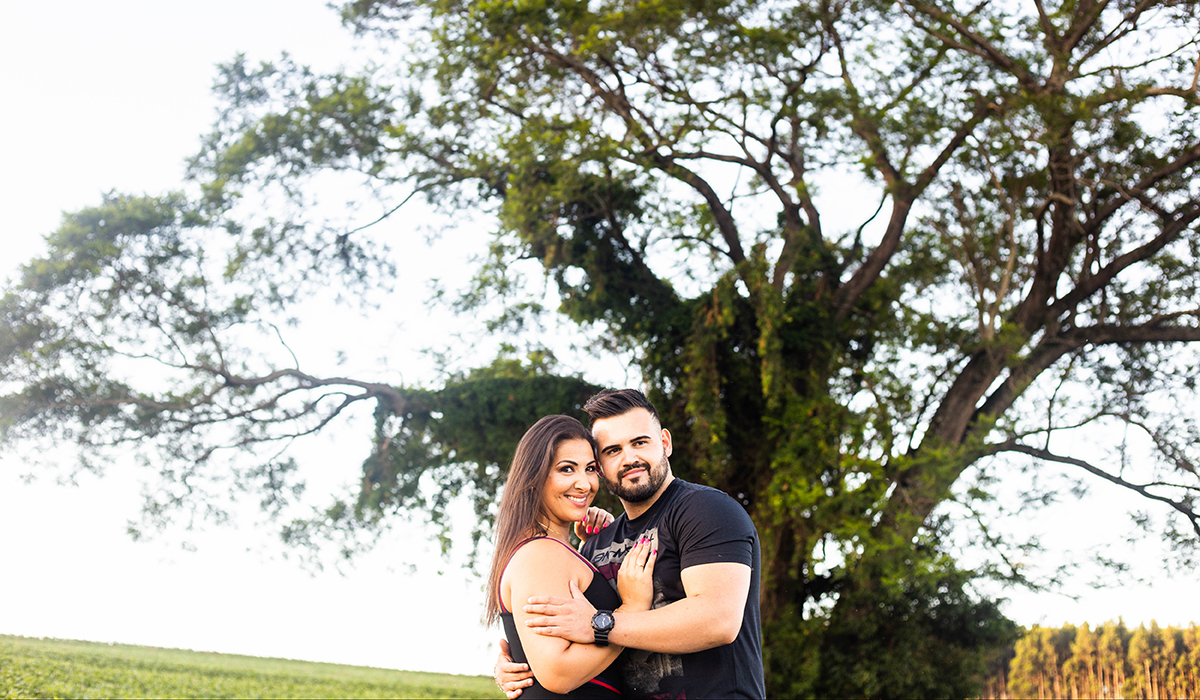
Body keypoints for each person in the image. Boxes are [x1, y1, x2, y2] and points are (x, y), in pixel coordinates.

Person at [496, 390, 765, 699]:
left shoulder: (705, 510)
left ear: (665, 443)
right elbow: (567, 643)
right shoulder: (596, 544)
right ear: (600, 465)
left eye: (640, 442)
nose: (629, 459)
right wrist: (521, 661)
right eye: (612, 450)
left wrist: (601, 624)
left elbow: (718, 621)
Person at [486, 414, 659, 698]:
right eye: (567, 469)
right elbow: (557, 673)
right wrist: (632, 609)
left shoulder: (551, 550)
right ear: (533, 476)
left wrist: (590, 550)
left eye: (590, 469)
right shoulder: (542, 553)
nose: (585, 484)